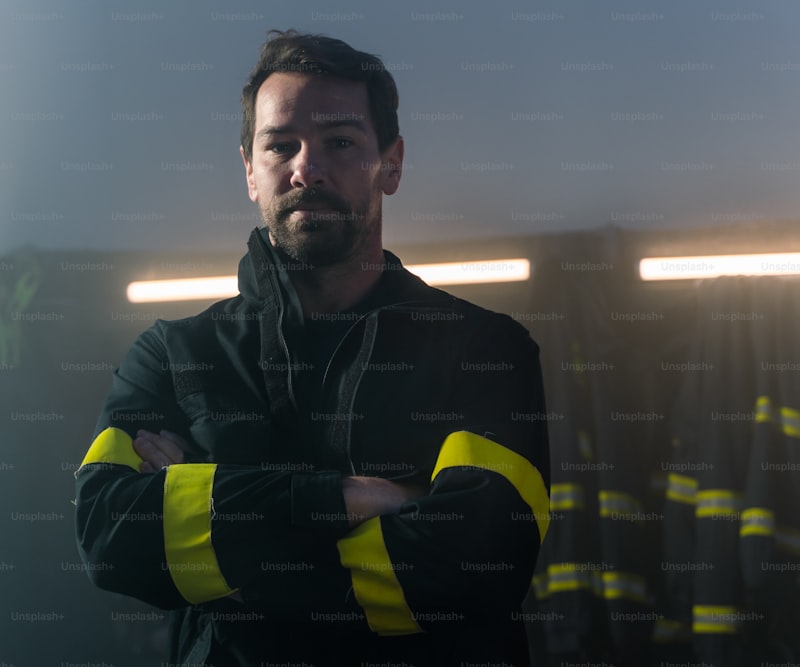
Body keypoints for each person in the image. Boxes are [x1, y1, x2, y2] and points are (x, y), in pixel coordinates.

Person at [74, 29, 551, 666]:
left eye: (340, 142)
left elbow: (476, 569)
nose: (307, 167)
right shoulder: (171, 354)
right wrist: (349, 499)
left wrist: (210, 528)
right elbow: (111, 541)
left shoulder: (487, 349)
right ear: (249, 168)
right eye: (282, 145)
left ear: (393, 164)